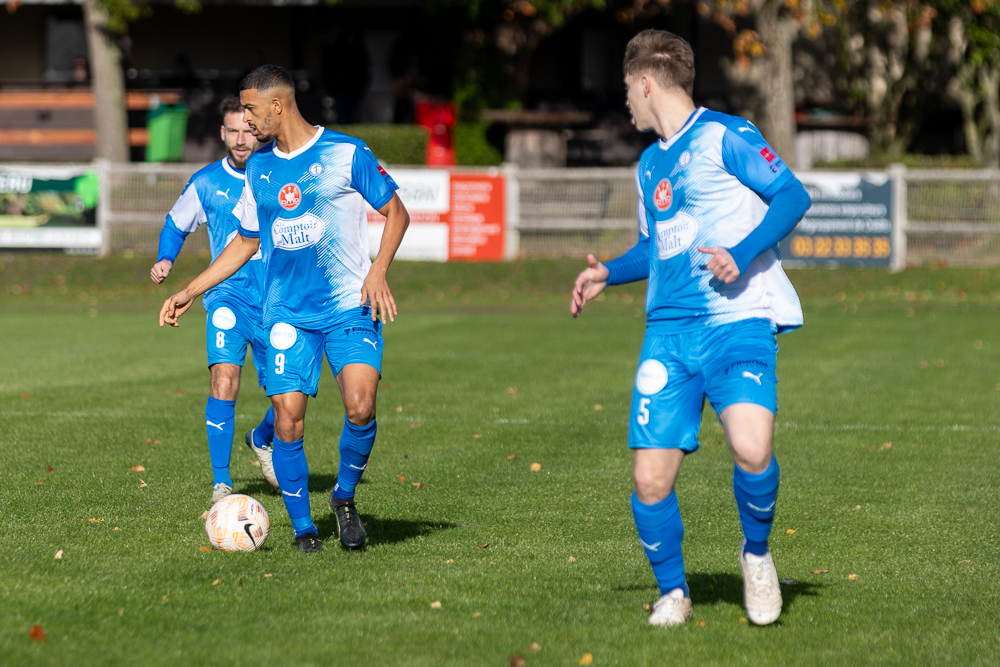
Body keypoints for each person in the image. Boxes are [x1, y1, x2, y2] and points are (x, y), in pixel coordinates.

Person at [570, 29, 811, 627]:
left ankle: (756, 556)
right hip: (668, 336)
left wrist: (743, 249)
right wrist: (611, 274)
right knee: (650, 479)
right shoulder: (649, 163)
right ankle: (673, 591)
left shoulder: (726, 135)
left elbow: (790, 194)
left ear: (646, 82)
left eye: (627, 87)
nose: (625, 101)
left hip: (737, 322)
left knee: (752, 447)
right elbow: (656, 247)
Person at [159, 65, 410, 554]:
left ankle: (343, 497)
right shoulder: (259, 168)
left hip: (347, 306)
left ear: (277, 105)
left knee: (361, 408)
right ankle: (304, 531)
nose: (246, 121)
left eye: (251, 109)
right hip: (287, 315)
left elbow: (397, 211)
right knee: (288, 421)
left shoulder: (345, 152)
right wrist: (191, 290)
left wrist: (378, 270)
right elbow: (245, 242)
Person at [151, 96, 279, 505]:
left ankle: (261, 438)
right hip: (227, 296)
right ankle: (221, 483)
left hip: (278, 300)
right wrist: (166, 259)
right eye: (233, 131)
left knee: (286, 395)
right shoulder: (206, 182)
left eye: (247, 130)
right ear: (222, 134)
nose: (241, 139)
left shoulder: (279, 173)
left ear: (257, 130)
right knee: (224, 380)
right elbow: (175, 224)